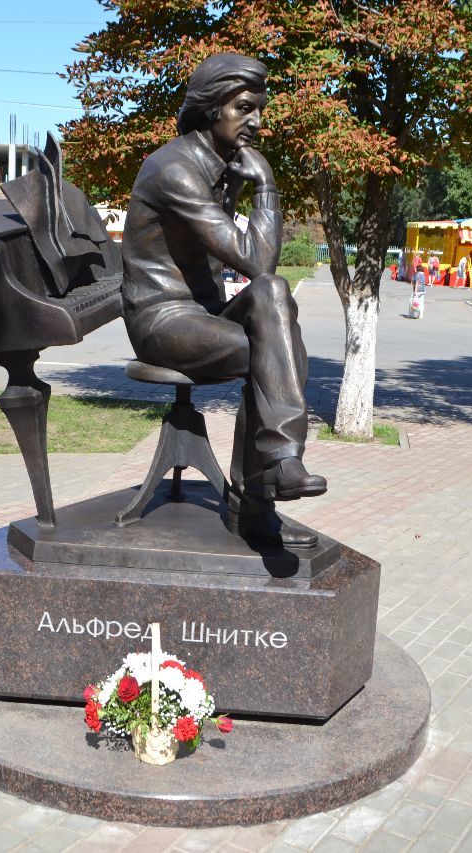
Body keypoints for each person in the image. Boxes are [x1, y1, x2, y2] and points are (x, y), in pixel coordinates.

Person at [121, 53, 324, 548]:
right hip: (162, 318)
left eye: (259, 110)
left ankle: (277, 467)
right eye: (244, 108)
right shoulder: (174, 169)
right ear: (213, 108)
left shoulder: (224, 165)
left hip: (206, 315)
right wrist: (268, 190)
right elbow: (255, 259)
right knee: (274, 353)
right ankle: (259, 497)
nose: (256, 122)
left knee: (273, 298)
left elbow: (266, 275)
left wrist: (259, 184)